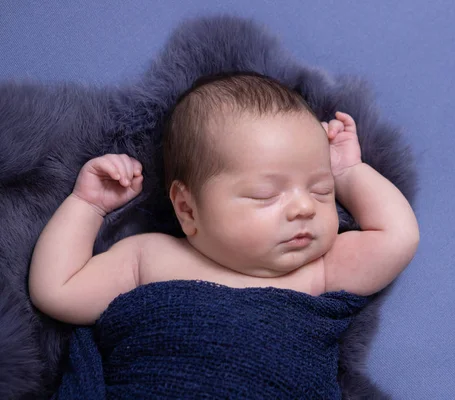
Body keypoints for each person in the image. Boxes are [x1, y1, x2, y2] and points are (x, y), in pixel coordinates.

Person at [29, 72, 419, 326]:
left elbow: (397, 238)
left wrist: (349, 174)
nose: (305, 208)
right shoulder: (148, 258)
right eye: (267, 195)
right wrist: (88, 205)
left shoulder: (318, 272)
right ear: (187, 208)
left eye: (322, 191)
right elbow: (56, 290)